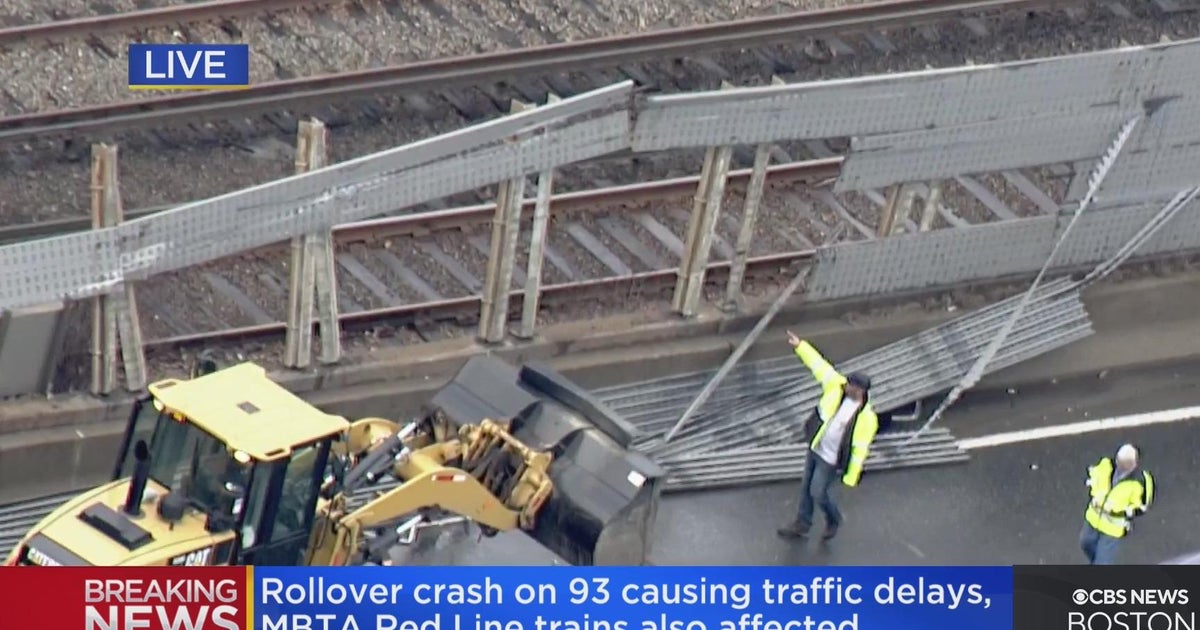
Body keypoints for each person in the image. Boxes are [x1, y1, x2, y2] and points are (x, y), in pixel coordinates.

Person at [777, 331, 880, 541]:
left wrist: (851, 476)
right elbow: (819, 365)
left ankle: (834, 518)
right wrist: (800, 346)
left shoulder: (867, 418)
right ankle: (802, 523)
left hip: (831, 459)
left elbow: (860, 449)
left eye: (851, 386)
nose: (846, 386)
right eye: (848, 383)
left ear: (860, 391)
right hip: (816, 447)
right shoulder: (836, 385)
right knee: (806, 488)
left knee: (817, 492)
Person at [1080, 444, 1154, 564]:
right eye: (1120, 463)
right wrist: (1095, 495)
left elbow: (1142, 507)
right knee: (1085, 543)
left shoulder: (1140, 482)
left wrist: (1118, 511)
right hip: (1093, 518)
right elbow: (1094, 477)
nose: (1121, 467)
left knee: (1102, 562)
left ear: (1133, 465)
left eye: (1125, 465)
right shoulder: (1106, 465)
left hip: (1112, 528)